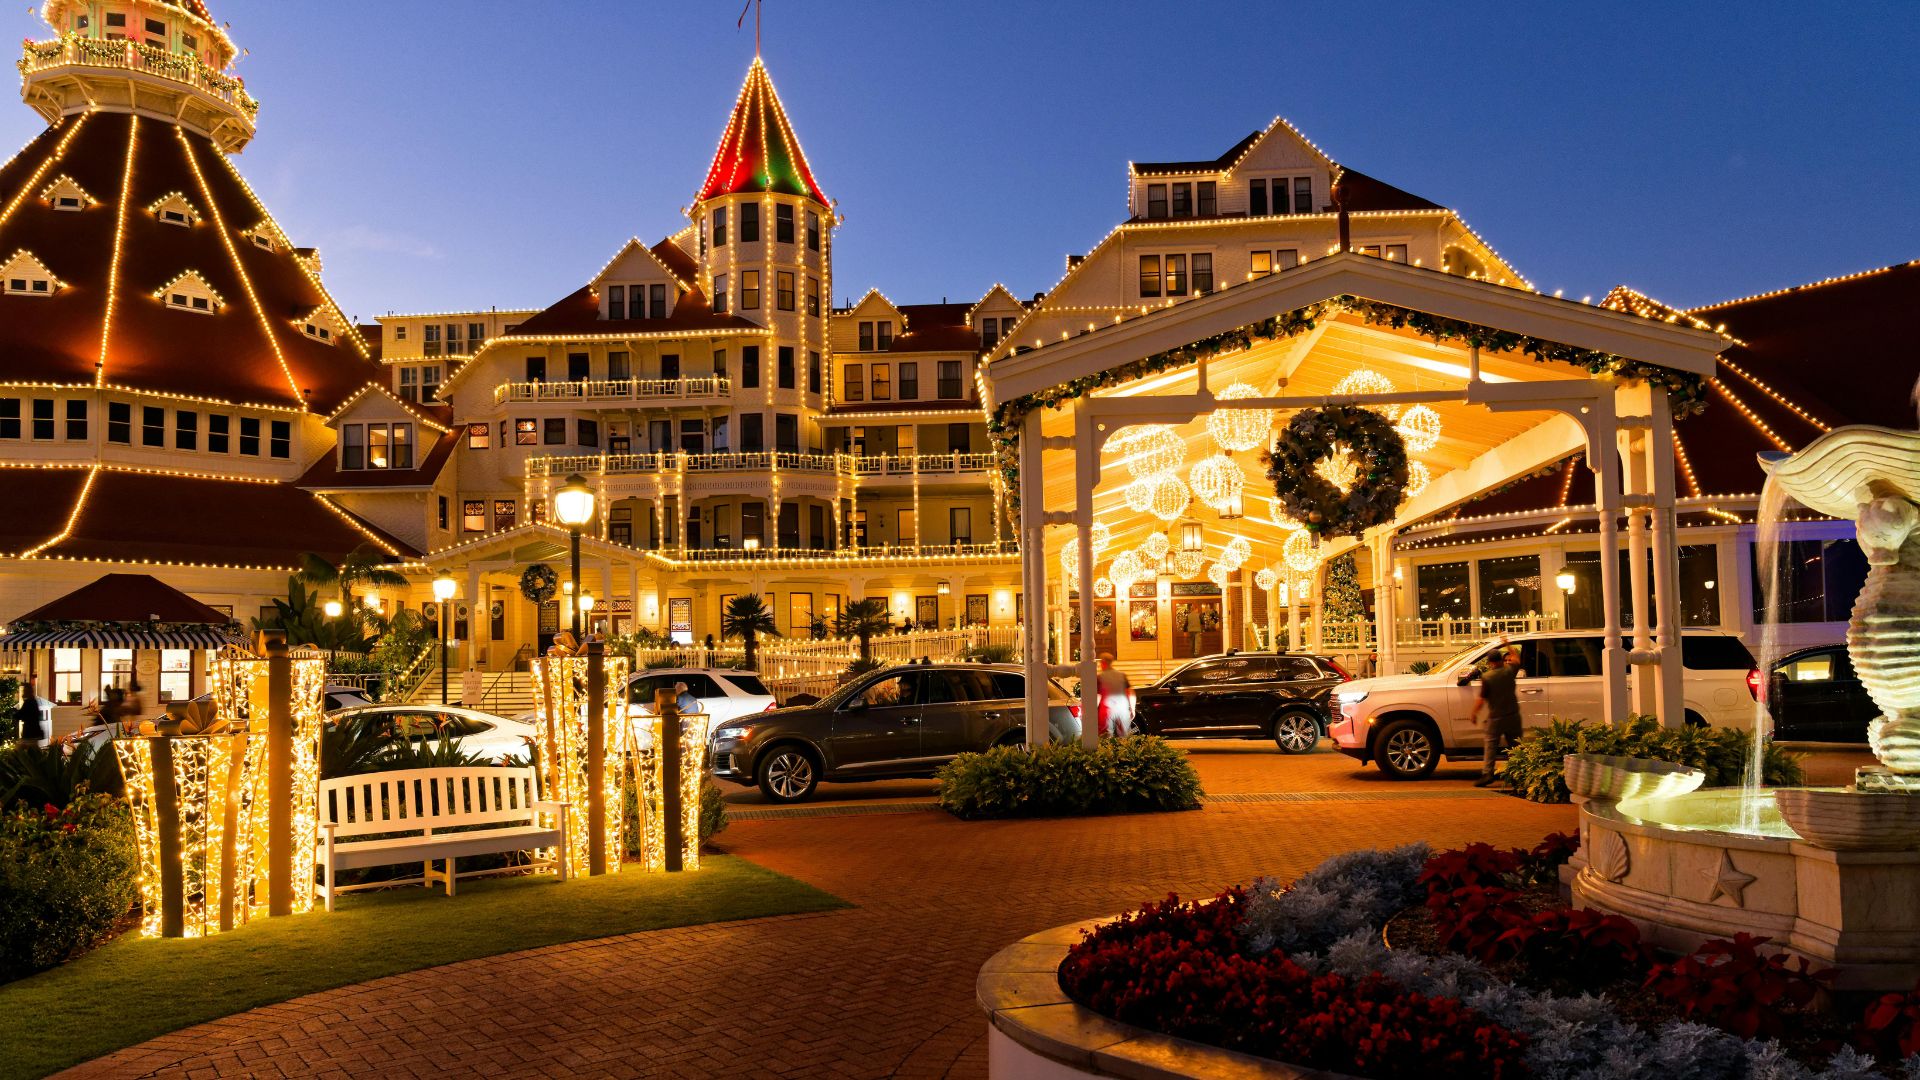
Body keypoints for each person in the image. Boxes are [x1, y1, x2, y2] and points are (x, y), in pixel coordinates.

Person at [1466, 647, 1522, 787]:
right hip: (1513, 715)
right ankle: (1518, 774)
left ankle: (1488, 774)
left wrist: (1474, 713)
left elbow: (1481, 698)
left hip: (1496, 717)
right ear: (1501, 660)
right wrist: (1507, 644)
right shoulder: (1509, 671)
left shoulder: (1487, 677)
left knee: (1491, 745)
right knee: (1515, 746)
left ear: (1490, 662)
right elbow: (1516, 659)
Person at [1095, 653, 1133, 737]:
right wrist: (1132, 708)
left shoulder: (1100, 677)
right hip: (1122, 708)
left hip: (1107, 709)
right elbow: (1130, 692)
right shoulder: (1122, 675)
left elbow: (1097, 696)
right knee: (1124, 735)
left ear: (1103, 663)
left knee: (1106, 735)